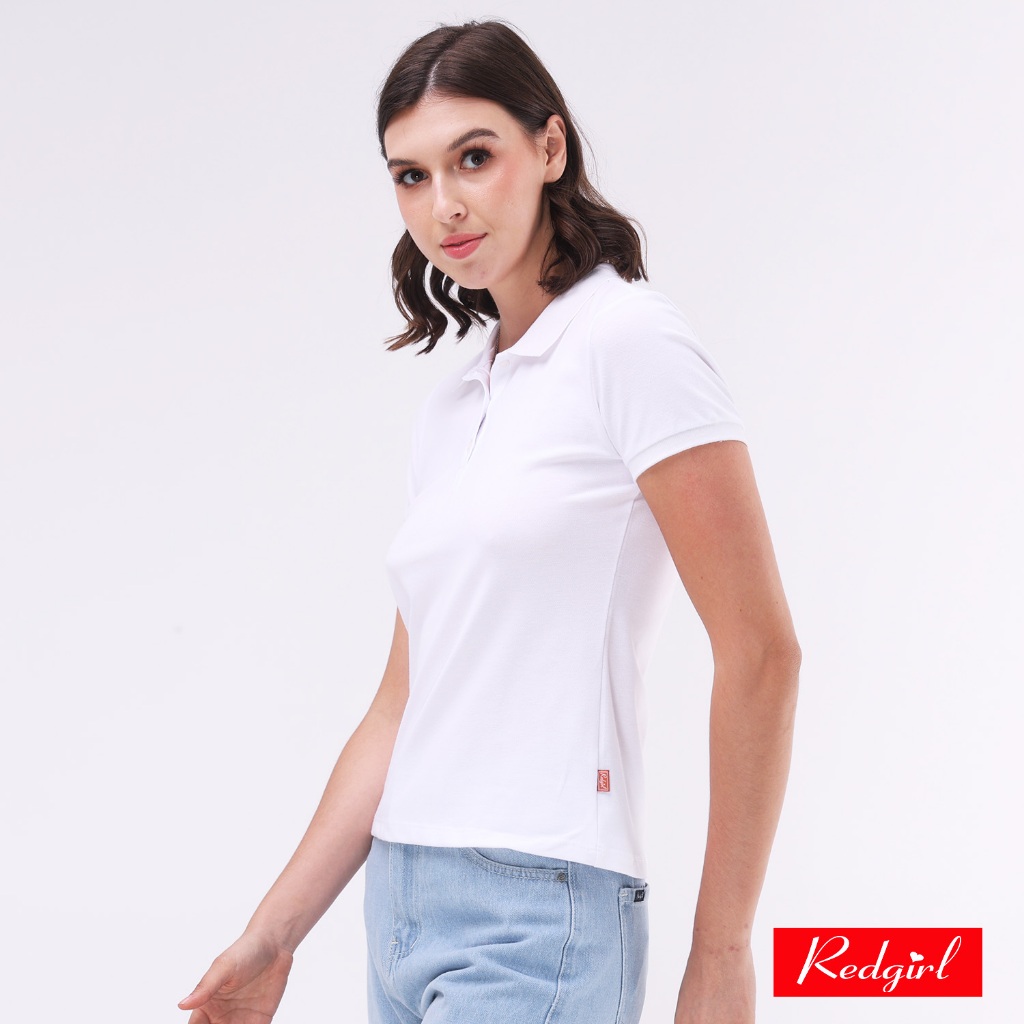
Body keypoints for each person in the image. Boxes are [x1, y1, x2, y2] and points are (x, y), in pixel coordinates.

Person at [178, 19, 800, 1024]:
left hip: (540, 908)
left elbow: (762, 651)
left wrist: (721, 954)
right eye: (410, 176)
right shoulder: (456, 404)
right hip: (401, 898)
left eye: (474, 156)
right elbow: (401, 706)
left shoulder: (630, 342)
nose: (445, 204)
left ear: (550, 147)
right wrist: (273, 934)